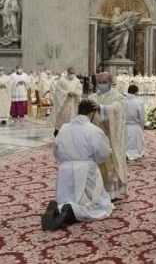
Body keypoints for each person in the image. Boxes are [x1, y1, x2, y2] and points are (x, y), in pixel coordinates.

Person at [41, 100, 114, 231]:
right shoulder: (94, 130)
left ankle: (59, 208)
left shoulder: (64, 128)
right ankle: (72, 211)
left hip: (65, 169)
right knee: (98, 205)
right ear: (92, 113)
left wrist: (66, 161)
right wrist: (94, 161)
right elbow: (102, 152)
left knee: (66, 197)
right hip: (86, 169)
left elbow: (56, 151)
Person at [88, 72, 127, 200]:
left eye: (104, 82)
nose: (102, 85)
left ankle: (112, 193)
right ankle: (95, 190)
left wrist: (101, 108)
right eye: (99, 82)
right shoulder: (93, 96)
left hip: (110, 136)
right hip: (95, 136)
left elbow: (117, 109)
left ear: (110, 82)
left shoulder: (118, 96)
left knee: (109, 163)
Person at [48, 67, 82, 137]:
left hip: (73, 102)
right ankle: (58, 131)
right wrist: (67, 93)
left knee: (72, 118)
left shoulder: (77, 80)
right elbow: (58, 90)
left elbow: (79, 89)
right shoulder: (62, 80)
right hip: (64, 103)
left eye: (73, 73)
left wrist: (76, 94)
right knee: (62, 118)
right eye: (71, 73)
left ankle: (71, 133)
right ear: (68, 73)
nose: (72, 75)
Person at [125, 85, 146, 161]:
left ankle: (125, 153)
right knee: (135, 144)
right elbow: (142, 117)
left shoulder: (122, 101)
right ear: (136, 92)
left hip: (124, 126)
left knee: (125, 143)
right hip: (134, 126)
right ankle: (133, 154)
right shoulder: (138, 102)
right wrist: (142, 126)